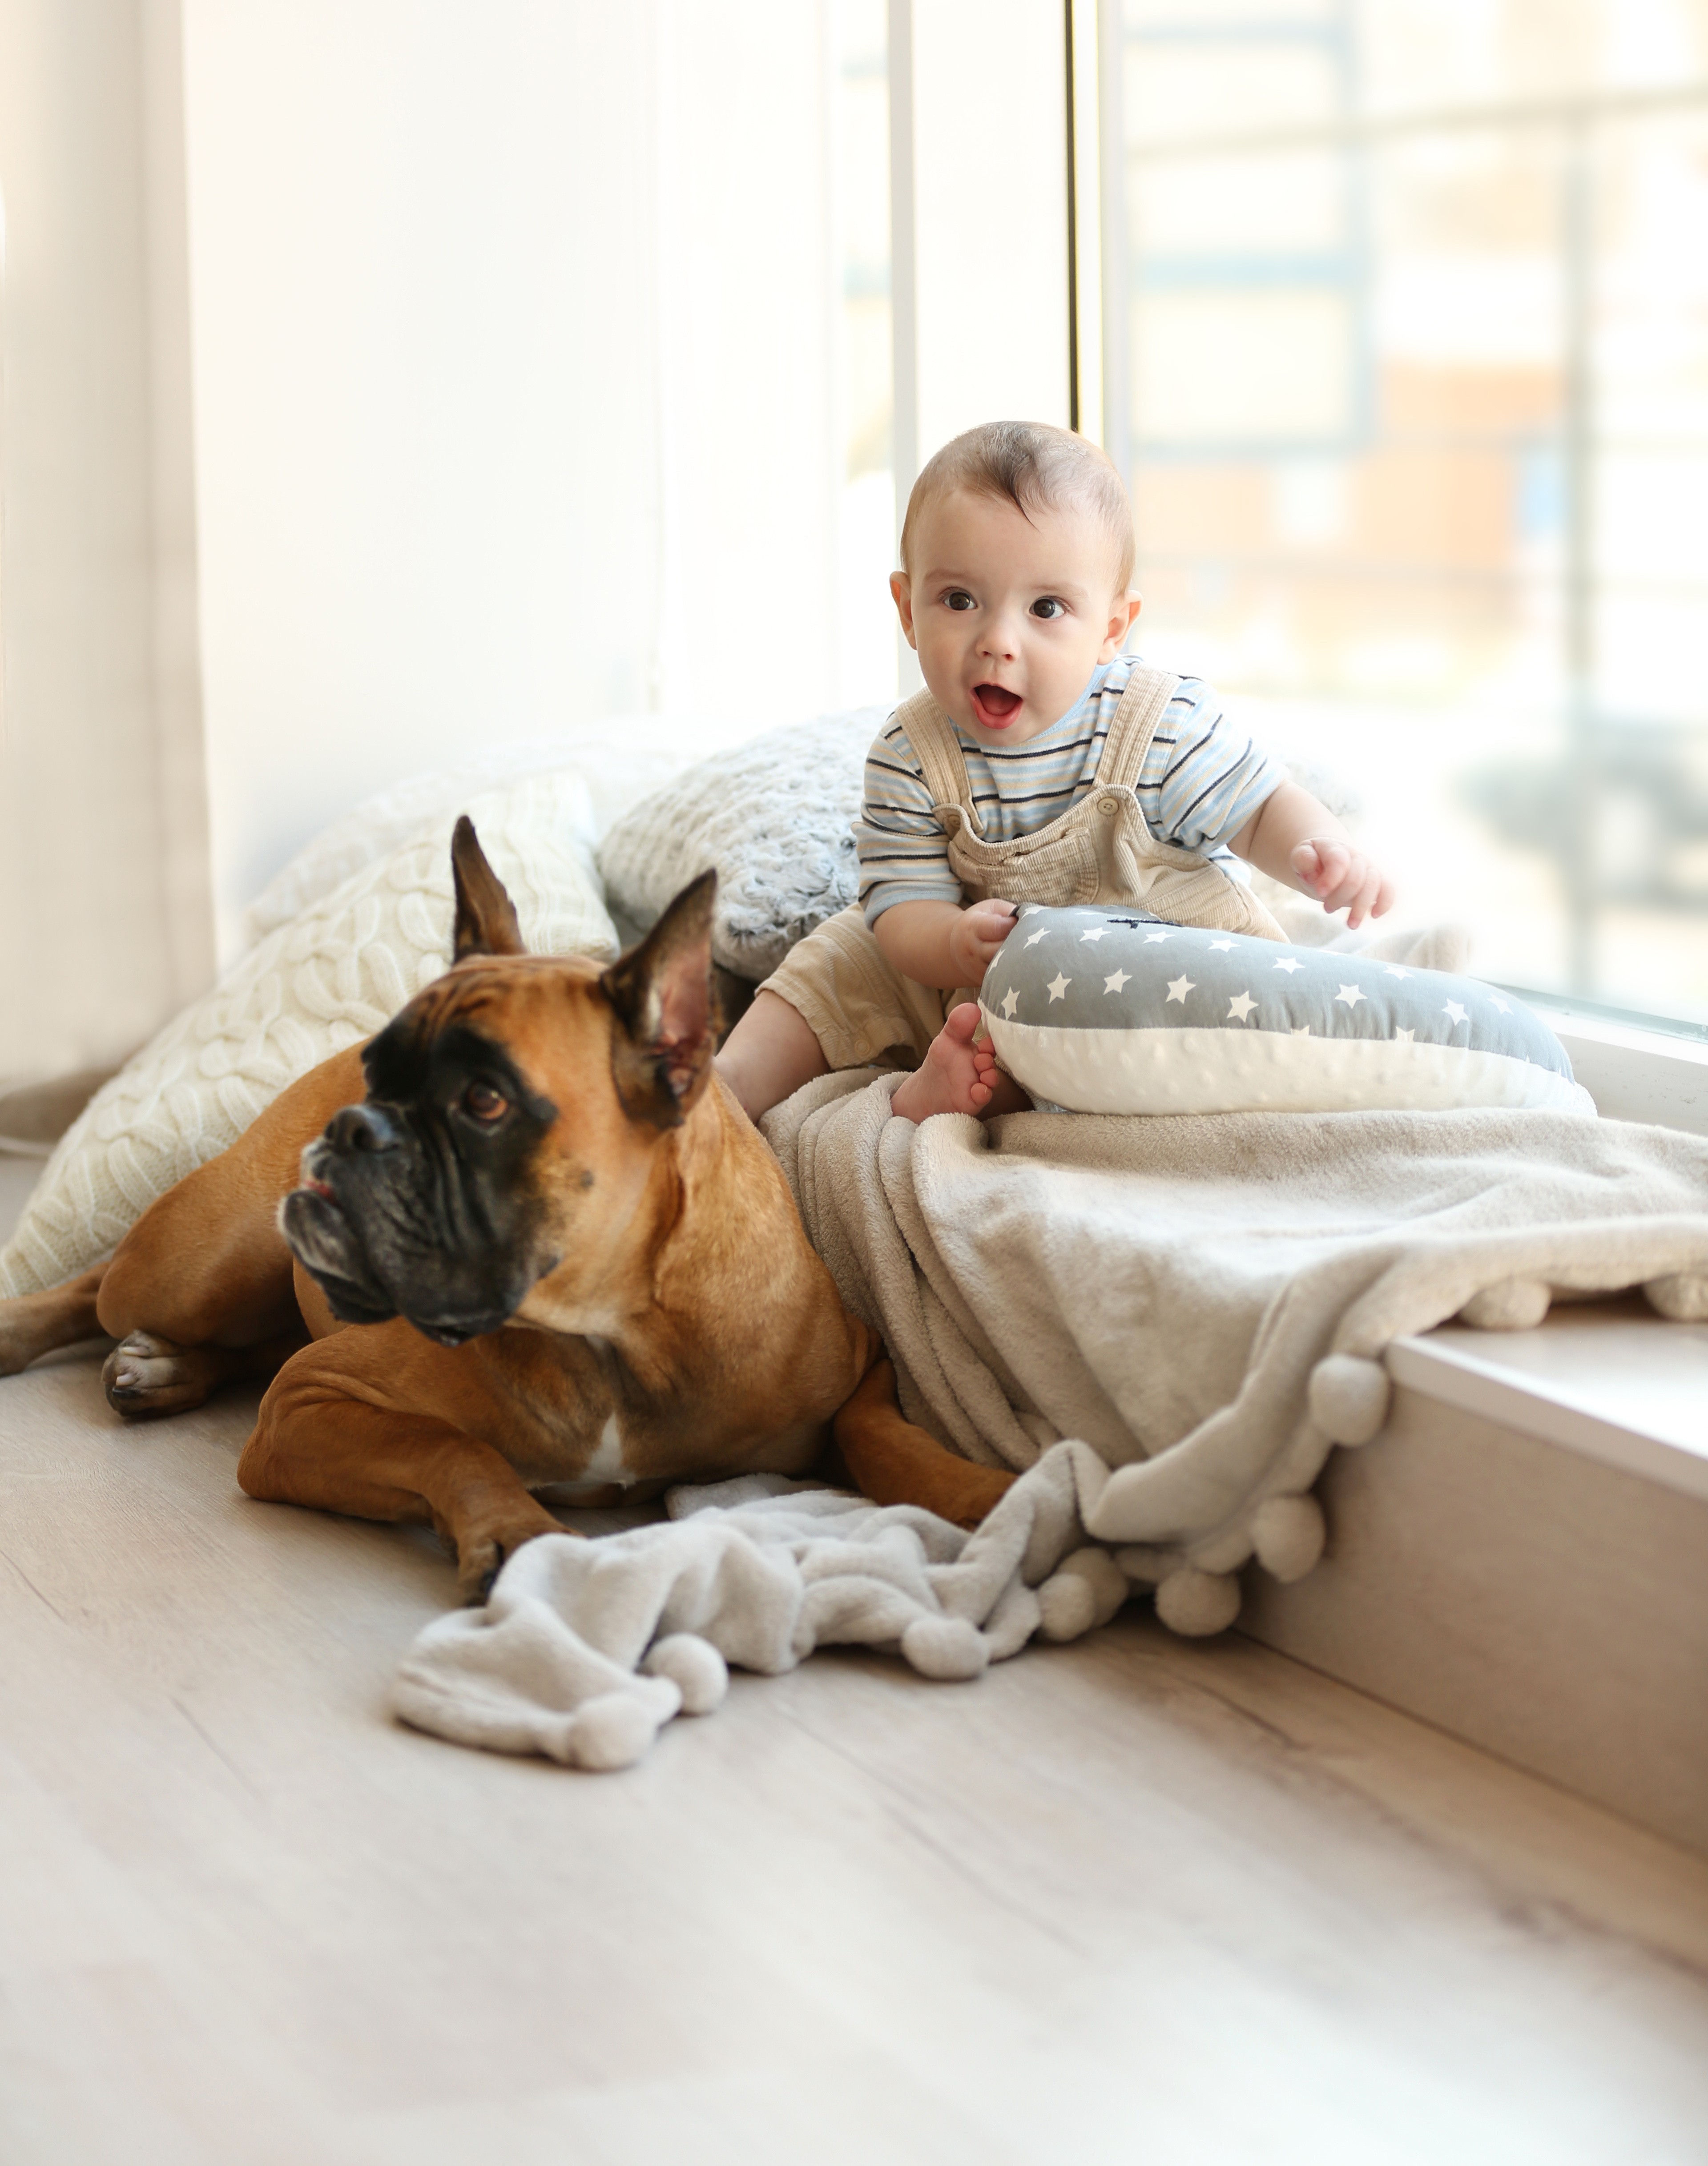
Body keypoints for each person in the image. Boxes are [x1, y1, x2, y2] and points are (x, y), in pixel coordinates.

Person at [717, 420, 1393, 1126]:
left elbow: (1260, 809)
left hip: (1151, 961)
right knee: (841, 949)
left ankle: (980, 1090)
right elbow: (901, 907)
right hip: (975, 972)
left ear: (1111, 628)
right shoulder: (910, 753)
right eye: (958, 601)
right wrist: (948, 940)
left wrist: (1318, 853)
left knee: (1184, 1006)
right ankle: (729, 1086)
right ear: (906, 609)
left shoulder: (1157, 725)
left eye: (1046, 609)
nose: (998, 642)